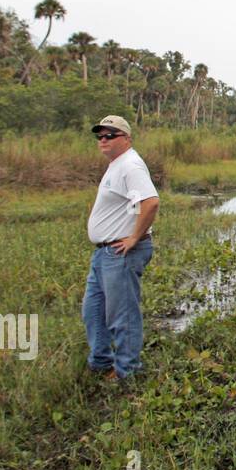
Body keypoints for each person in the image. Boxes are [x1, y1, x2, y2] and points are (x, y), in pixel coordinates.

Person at [83, 115, 159, 380]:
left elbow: (150, 203)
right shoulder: (116, 165)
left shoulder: (130, 165)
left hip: (121, 252)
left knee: (122, 314)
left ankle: (128, 371)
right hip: (103, 253)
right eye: (100, 136)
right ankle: (101, 361)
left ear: (126, 138)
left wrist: (134, 238)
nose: (103, 140)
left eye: (110, 135)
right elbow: (132, 204)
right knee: (93, 309)